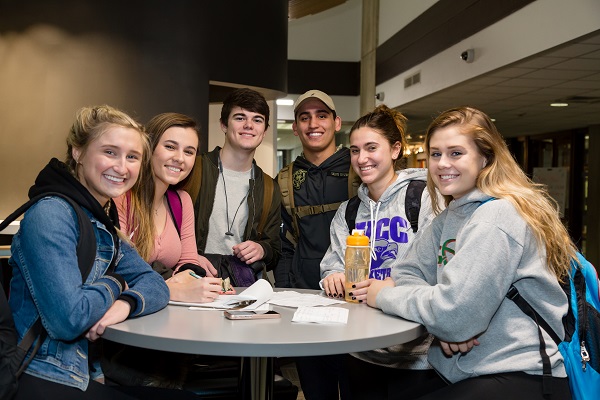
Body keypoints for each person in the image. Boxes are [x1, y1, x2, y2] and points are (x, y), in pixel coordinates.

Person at [367, 106, 573, 399]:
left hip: (522, 374)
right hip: (468, 369)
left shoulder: (498, 216)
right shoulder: (449, 216)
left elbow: (454, 315)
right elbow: (406, 273)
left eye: (455, 153)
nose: (441, 163)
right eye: (436, 154)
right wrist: (447, 322)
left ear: (485, 158)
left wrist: (383, 296)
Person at [8, 105, 198, 399]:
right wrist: (118, 283)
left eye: (132, 157)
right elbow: (70, 319)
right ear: (78, 152)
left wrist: (125, 303)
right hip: (41, 375)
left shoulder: (99, 219)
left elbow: (155, 285)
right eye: (110, 152)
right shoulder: (51, 214)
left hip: (84, 372)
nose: (122, 168)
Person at [320, 104, 439, 400]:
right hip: (361, 353)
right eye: (355, 150)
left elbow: (439, 269)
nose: (362, 158)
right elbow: (331, 264)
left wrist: (393, 286)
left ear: (395, 150)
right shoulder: (348, 211)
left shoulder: (423, 198)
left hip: (418, 357)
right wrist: (332, 275)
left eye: (372, 148)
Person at [275, 90, 354, 400]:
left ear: (336, 123)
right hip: (306, 302)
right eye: (304, 117)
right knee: (315, 390)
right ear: (295, 127)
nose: (313, 124)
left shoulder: (360, 169)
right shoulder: (286, 180)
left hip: (355, 302)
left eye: (322, 115)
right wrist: (283, 297)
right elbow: (286, 245)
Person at [115, 112, 226, 303]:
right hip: (127, 311)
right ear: (148, 148)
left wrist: (189, 279)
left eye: (189, 152)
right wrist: (171, 287)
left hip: (165, 309)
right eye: (170, 147)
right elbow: (118, 268)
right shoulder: (120, 198)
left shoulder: (182, 202)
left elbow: (189, 261)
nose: (180, 158)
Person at [192, 88, 281, 280]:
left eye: (257, 120)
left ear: (264, 131)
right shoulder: (194, 170)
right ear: (224, 124)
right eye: (240, 118)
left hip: (243, 283)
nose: (249, 125)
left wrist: (261, 249)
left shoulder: (269, 187)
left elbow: (274, 249)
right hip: (196, 278)